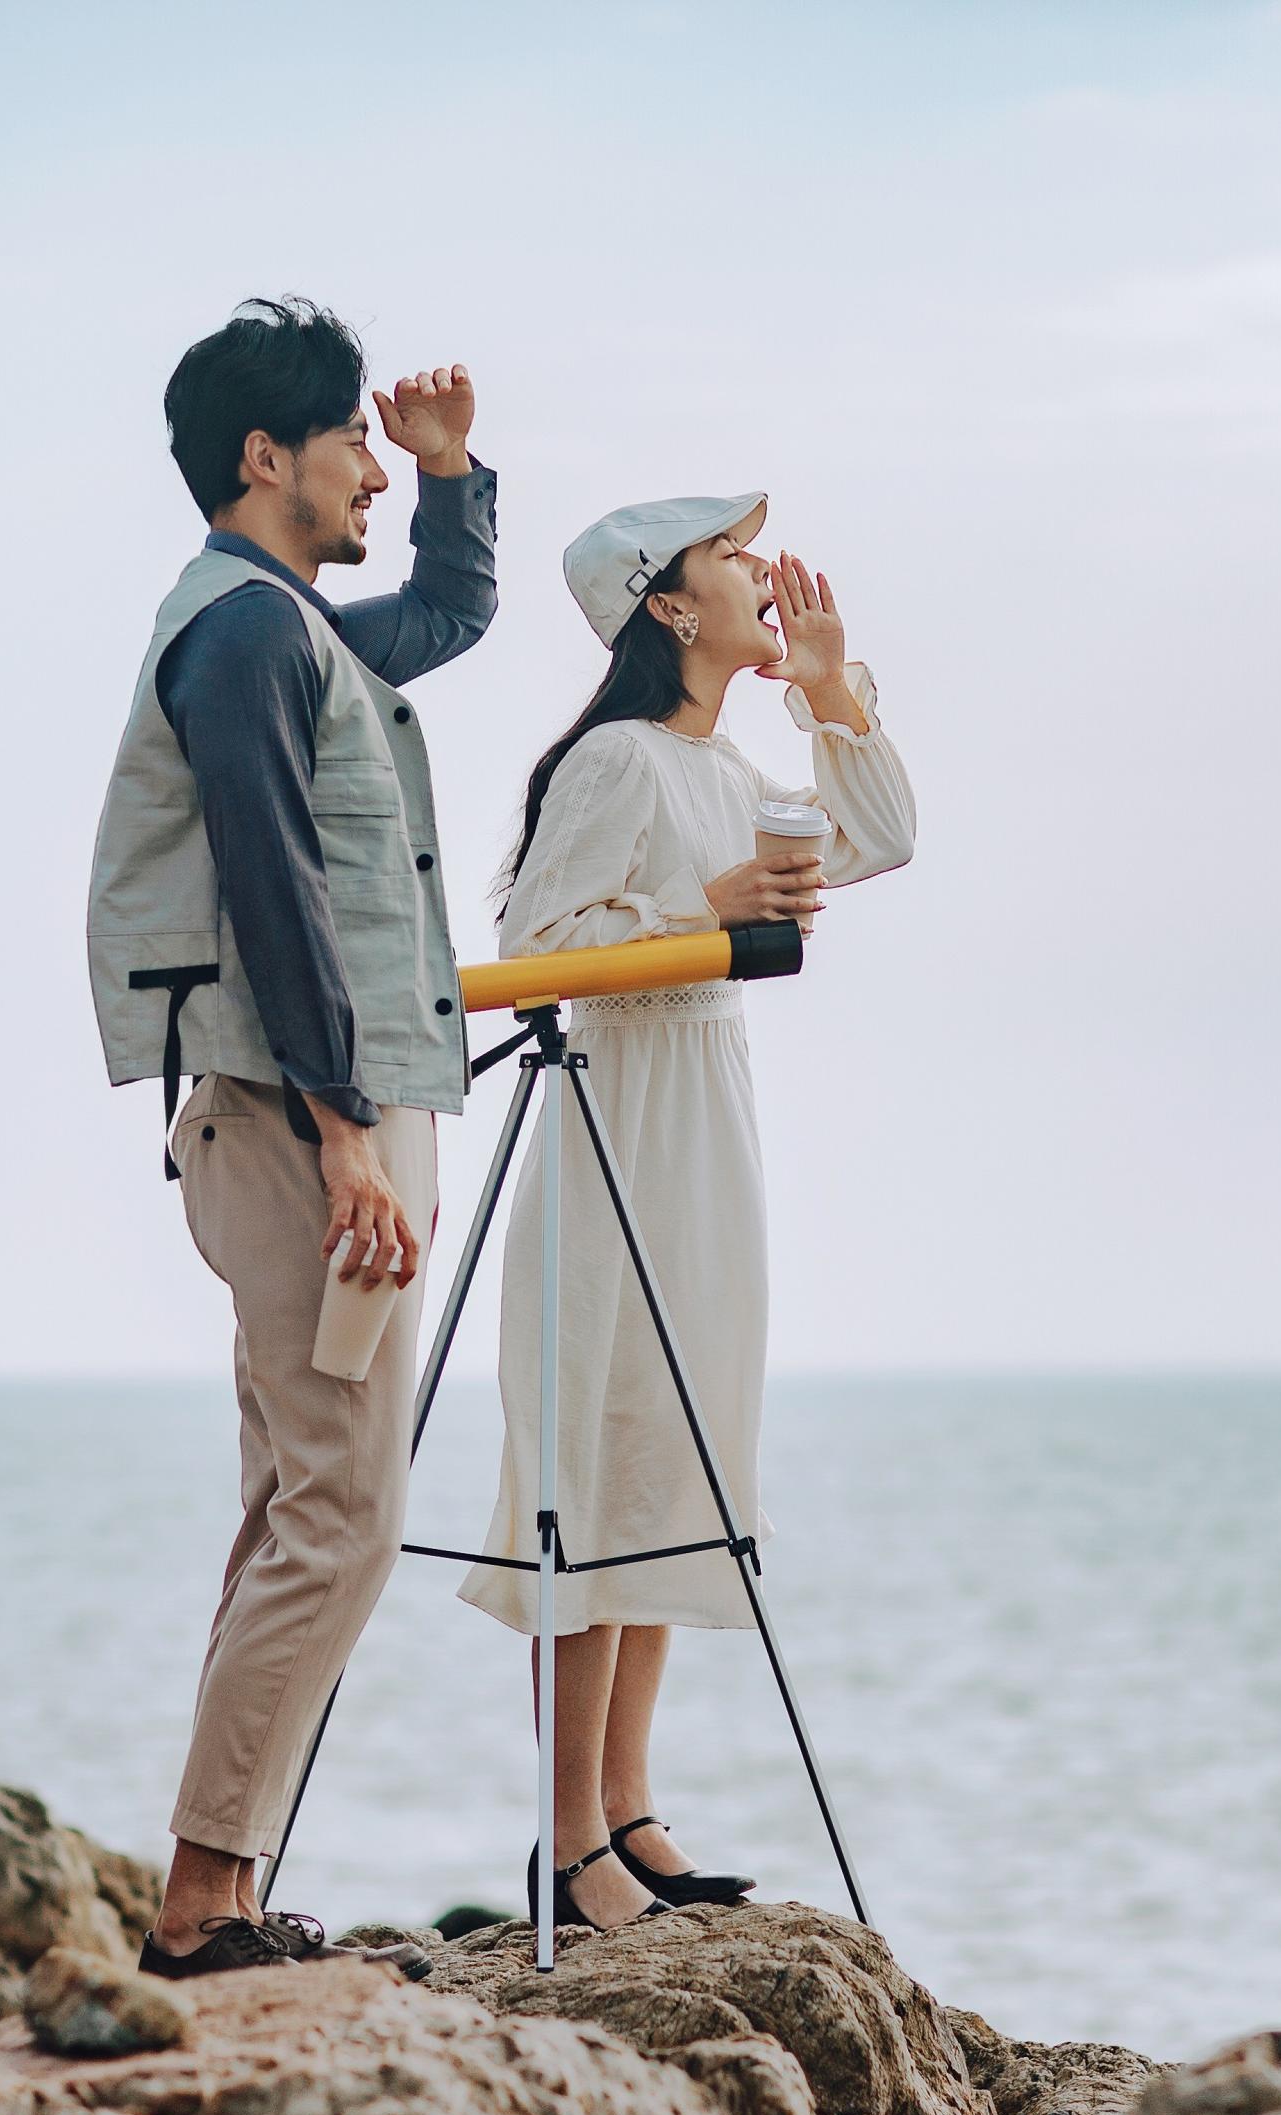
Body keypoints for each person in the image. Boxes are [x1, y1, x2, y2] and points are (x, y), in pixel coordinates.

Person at [84, 298, 494, 1976]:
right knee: (347, 1510)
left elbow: (450, 612)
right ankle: (198, 1901)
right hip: (296, 1115)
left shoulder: (289, 627)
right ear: (269, 458)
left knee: (293, 1505)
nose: (373, 474)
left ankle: (226, 1893)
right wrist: (345, 1133)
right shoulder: (245, 636)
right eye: (355, 446)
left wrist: (458, 470)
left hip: (311, 1108)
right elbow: (271, 886)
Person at [459, 494, 915, 1929]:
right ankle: (567, 1832)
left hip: (706, 1125)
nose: (757, 571)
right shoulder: (613, 762)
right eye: (728, 555)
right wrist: (704, 908)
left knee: (673, 1451)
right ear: (666, 603)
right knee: (588, 1462)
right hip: (612, 1122)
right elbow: (531, 952)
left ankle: (629, 1804)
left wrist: (832, 686)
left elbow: (883, 835)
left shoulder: (735, 764)